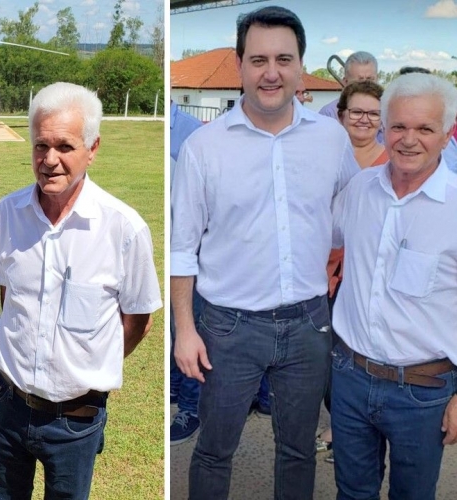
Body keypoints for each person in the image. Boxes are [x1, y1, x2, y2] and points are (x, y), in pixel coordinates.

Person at [170, 6, 360, 499]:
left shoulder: (332, 141)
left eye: (283, 58)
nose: (270, 72)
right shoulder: (204, 148)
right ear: (239, 65)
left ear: (301, 66)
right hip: (228, 328)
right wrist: (185, 330)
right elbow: (182, 246)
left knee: (297, 451)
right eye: (257, 60)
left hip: (308, 324)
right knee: (214, 450)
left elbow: (350, 219)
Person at [0, 82, 161, 499]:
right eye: (40, 146)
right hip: (8, 405)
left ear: (92, 148)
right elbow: (5, 298)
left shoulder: (124, 229)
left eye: (65, 146)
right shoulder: (8, 215)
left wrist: (89, 366)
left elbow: (137, 323)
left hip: (76, 420)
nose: (50, 160)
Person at [330, 72, 457, 500]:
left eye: (425, 128)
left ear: (446, 135)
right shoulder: (360, 188)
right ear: (384, 128)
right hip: (350, 378)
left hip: (423, 392)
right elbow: (318, 241)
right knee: (352, 492)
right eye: (399, 126)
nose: (409, 139)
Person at [318, 79, 389, 462]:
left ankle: (358, 432)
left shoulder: (392, 163)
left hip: (361, 278)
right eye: (356, 111)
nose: (363, 120)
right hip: (319, 273)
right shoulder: (324, 154)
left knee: (358, 359)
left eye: (373, 113)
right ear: (341, 115)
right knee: (328, 361)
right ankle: (342, 425)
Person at [169, 101, 203, 445]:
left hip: (189, 253)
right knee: (174, 329)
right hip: (169, 249)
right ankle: (176, 390)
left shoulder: (192, 131)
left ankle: (191, 408)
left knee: (188, 328)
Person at [319, 51, 379, 119]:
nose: (366, 87)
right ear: (345, 82)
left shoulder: (388, 111)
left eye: (370, 80)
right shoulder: (328, 114)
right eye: (359, 81)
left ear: (377, 79)